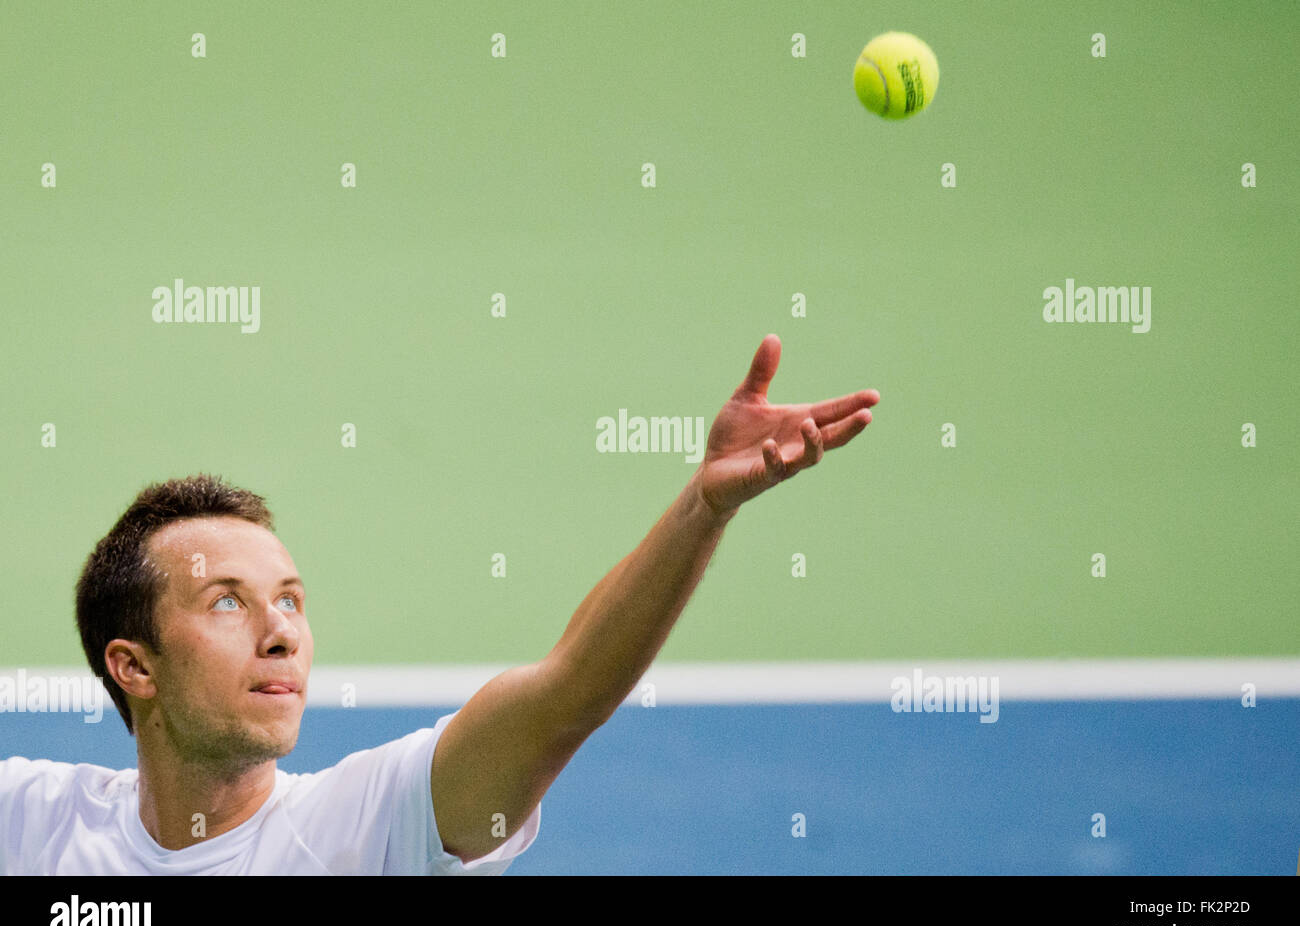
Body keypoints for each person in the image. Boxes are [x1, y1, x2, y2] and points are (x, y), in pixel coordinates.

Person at [0, 334, 878, 874]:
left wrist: (704, 506)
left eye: (292, 601)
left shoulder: (367, 827)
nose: (282, 635)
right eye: (227, 603)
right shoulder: (32, 822)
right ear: (133, 665)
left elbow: (567, 694)